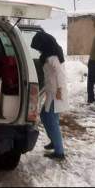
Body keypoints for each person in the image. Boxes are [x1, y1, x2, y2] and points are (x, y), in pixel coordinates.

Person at [31, 31, 69, 160]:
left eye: (39, 48)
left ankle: (59, 152)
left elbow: (60, 74)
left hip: (56, 93)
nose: (39, 51)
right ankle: (54, 142)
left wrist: (59, 90)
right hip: (51, 91)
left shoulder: (52, 57)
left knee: (51, 120)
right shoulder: (48, 55)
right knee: (47, 116)